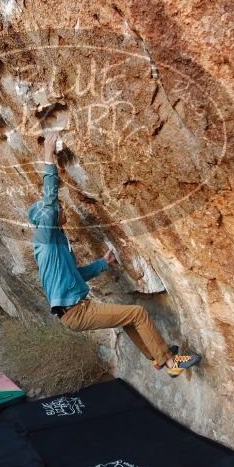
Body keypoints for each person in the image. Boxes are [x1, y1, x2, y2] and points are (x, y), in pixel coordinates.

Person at [27, 131, 202, 377]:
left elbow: (75, 275)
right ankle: (170, 362)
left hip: (76, 310)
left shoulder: (56, 245)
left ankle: (156, 358)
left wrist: (102, 263)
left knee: (129, 318)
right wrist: (48, 153)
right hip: (76, 312)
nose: (61, 209)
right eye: (58, 209)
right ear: (46, 218)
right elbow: (49, 199)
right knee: (138, 313)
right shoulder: (44, 239)